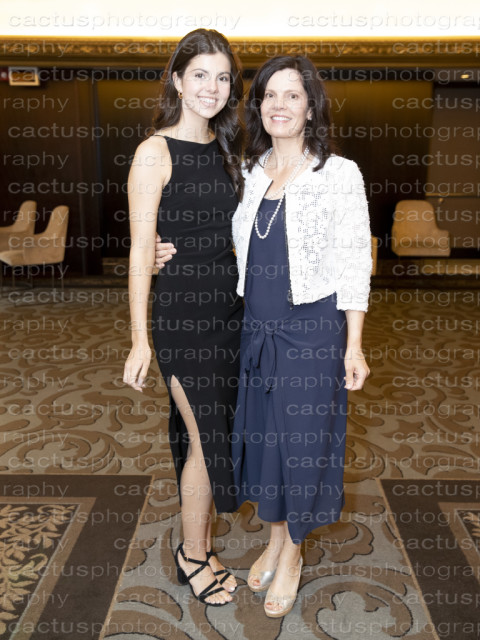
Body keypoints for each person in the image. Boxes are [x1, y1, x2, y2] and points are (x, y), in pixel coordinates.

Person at [155, 54, 372, 618]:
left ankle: (293, 552)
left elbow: (355, 262)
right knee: (269, 441)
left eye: (292, 95)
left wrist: (353, 345)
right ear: (258, 107)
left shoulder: (338, 174)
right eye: (269, 95)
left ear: (310, 107)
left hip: (313, 332)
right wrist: (158, 248)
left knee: (304, 444)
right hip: (255, 328)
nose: (279, 105)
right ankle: (274, 540)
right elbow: (206, 225)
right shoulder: (249, 172)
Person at [123, 28, 244, 606]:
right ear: (177, 80)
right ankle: (193, 555)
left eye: (222, 78)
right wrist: (139, 340)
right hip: (183, 318)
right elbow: (139, 250)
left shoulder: (229, 150)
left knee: (216, 433)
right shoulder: (154, 152)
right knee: (205, 437)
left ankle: (201, 544)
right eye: (200, 75)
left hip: (233, 315)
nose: (211, 88)